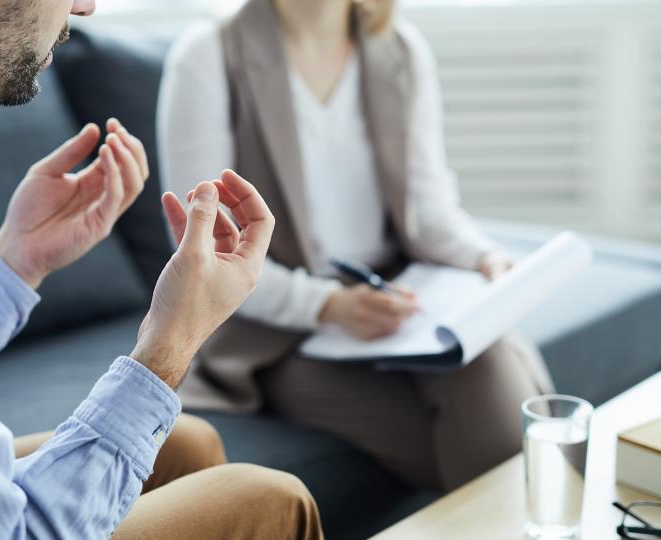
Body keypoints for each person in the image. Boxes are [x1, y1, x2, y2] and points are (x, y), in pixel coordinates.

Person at [0, 0, 323, 538]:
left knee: (184, 445)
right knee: (271, 502)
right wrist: (170, 344)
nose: (85, 6)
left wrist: (16, 260)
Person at [159, 0, 556, 492]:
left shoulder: (400, 50)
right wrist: (328, 305)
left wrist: (483, 256)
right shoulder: (208, 55)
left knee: (487, 361)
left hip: (395, 298)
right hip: (280, 335)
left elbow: (428, 211)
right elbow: (207, 255)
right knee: (490, 454)